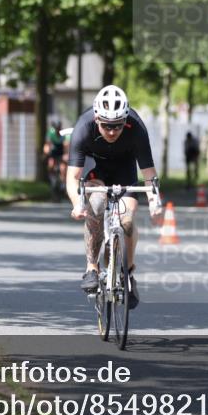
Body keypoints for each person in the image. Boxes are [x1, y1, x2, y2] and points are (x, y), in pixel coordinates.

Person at [67, 85, 163, 308]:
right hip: (95, 166)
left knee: (127, 220)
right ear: (97, 118)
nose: (112, 131)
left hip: (124, 167)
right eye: (107, 126)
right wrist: (77, 204)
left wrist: (154, 203)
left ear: (125, 120)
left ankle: (128, 272)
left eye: (118, 126)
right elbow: (72, 177)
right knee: (97, 204)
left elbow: (149, 174)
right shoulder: (83, 127)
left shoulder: (137, 127)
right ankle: (92, 267)